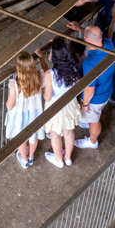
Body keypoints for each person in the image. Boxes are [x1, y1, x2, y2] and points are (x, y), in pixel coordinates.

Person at [38, 38, 82, 168]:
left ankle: (59, 160)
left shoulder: (50, 74)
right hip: (69, 104)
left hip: (55, 107)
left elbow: (47, 97)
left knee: (55, 135)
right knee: (68, 132)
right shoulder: (75, 67)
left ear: (55, 57)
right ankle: (67, 158)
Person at [74, 26, 115, 149]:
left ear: (86, 39)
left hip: (96, 98)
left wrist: (85, 104)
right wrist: (79, 29)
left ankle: (92, 141)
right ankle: (88, 121)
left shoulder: (89, 63)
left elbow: (89, 89)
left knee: (94, 120)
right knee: (93, 116)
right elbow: (94, 37)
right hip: (107, 89)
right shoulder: (108, 44)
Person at [4, 52, 45, 169]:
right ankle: (31, 156)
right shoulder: (39, 78)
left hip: (19, 116)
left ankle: (24, 159)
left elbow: (10, 106)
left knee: (21, 138)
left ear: (18, 68)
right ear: (33, 65)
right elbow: (46, 72)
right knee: (34, 136)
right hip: (35, 114)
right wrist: (42, 59)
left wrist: (7, 102)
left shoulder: (15, 84)